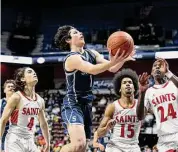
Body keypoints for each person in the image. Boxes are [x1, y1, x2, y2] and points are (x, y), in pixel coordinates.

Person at [54, 25, 135, 152]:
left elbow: (112, 68)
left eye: (80, 30)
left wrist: (122, 59)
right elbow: (92, 69)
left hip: (86, 104)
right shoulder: (72, 58)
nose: (80, 32)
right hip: (73, 103)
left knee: (83, 147)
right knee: (78, 144)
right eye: (75, 32)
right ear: (67, 40)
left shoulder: (92, 53)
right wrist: (113, 61)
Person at [0, 67, 50, 152]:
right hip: (14, 140)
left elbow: (43, 123)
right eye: (30, 72)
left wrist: (48, 143)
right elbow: (3, 121)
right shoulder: (16, 97)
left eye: (34, 72)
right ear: (23, 78)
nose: (34, 73)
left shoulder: (40, 100)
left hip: (30, 140)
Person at [93, 68, 141, 152]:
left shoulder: (140, 105)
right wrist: (107, 128)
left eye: (130, 82)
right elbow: (99, 133)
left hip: (133, 147)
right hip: (115, 147)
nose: (127, 84)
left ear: (134, 88)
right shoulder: (112, 107)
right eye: (124, 83)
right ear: (119, 89)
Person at [137, 58, 178, 152]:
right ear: (152, 72)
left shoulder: (174, 84)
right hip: (164, 139)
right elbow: (140, 116)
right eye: (155, 66)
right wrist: (141, 92)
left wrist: (169, 73)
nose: (157, 67)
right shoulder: (149, 92)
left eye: (160, 65)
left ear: (166, 69)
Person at [0, 80, 16, 152]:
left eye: (12, 87)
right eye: (8, 86)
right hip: (3, 134)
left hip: (16, 134)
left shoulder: (20, 103)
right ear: (4, 90)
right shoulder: (0, 103)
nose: (10, 88)